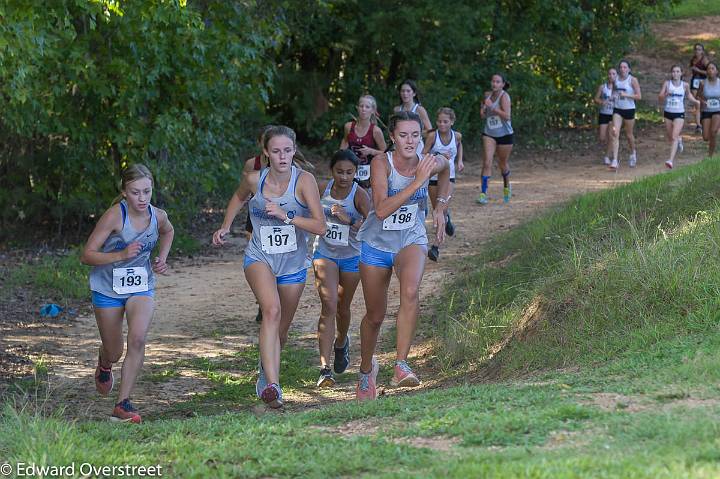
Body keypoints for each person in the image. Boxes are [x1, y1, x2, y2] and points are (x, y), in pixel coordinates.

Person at [212, 125, 325, 408]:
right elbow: (238, 197)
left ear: (294, 150)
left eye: (287, 150)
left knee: (281, 331)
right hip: (259, 256)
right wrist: (225, 226)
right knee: (270, 311)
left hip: (293, 263)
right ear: (266, 153)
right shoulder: (253, 179)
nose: (282, 156)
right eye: (276, 151)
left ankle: (266, 372)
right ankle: (274, 386)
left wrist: (287, 216)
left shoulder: (304, 181)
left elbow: (320, 226)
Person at [355, 111, 450, 401]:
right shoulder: (380, 163)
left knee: (410, 291)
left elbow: (445, 172)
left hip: (411, 237)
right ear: (393, 138)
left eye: (415, 135)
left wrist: (440, 207)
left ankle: (400, 365)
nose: (410, 141)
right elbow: (381, 209)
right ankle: (365, 370)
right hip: (376, 243)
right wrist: (419, 181)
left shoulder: (429, 160)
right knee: (374, 316)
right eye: (403, 135)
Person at [81, 164, 175, 424]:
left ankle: (122, 405)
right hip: (107, 288)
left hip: (140, 287)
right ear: (124, 192)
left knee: (137, 338)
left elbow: (168, 231)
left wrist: (162, 258)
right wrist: (120, 255)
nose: (142, 198)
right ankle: (104, 360)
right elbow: (87, 255)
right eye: (135, 193)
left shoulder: (158, 216)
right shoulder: (114, 216)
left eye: (147, 191)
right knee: (115, 351)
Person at [313, 149, 370, 387]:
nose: (344, 177)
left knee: (342, 308)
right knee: (329, 304)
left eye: (349, 172)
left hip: (351, 256)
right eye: (339, 172)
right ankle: (324, 369)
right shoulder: (322, 188)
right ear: (331, 171)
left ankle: (341, 343)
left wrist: (351, 220)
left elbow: (374, 225)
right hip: (324, 253)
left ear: (356, 173)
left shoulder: (360, 195)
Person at [423, 107, 464, 262]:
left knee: (441, 209)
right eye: (439, 121)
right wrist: (438, 155)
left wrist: (459, 160)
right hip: (433, 177)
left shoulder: (457, 136)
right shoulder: (433, 136)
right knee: (437, 210)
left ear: (452, 122)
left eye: (445, 121)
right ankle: (447, 219)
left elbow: (459, 145)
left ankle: (435, 247)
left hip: (450, 177)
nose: (442, 124)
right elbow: (423, 154)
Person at [476, 74, 513, 205]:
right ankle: (483, 193)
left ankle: (507, 186)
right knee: (487, 162)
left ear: (503, 84)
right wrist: (484, 108)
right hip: (489, 133)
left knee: (502, 163)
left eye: (498, 82)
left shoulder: (504, 97)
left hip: (504, 134)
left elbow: (507, 116)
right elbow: (483, 115)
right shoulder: (487, 95)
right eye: (493, 81)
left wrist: (492, 106)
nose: (494, 84)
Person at [340, 95, 387, 188]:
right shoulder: (348, 127)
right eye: (361, 106)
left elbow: (385, 153)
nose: (363, 109)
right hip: (350, 171)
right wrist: (340, 156)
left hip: (368, 174)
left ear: (372, 110)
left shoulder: (376, 131)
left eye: (367, 107)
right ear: (357, 108)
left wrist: (371, 151)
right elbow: (345, 142)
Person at [658, 65, 700, 169]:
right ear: (671, 73)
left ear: (681, 73)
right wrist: (666, 94)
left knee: (673, 136)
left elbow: (688, 95)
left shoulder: (685, 85)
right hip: (668, 113)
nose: (675, 73)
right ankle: (679, 140)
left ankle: (670, 160)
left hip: (679, 113)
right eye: (673, 71)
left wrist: (695, 101)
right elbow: (660, 97)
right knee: (670, 137)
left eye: (677, 71)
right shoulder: (667, 84)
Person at [609, 60, 642, 170]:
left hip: (629, 109)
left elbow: (639, 96)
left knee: (629, 135)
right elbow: (613, 91)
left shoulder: (632, 80)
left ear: (629, 69)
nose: (622, 69)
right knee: (615, 132)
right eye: (621, 67)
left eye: (625, 67)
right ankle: (614, 160)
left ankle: (633, 153)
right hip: (617, 109)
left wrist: (626, 95)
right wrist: (613, 96)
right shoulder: (616, 79)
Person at [393, 80, 433, 156]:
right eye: (403, 91)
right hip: (400, 145)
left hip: (416, 145)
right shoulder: (397, 110)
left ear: (414, 93)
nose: (405, 94)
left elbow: (430, 131)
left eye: (408, 91)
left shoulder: (419, 110)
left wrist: (414, 133)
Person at [595, 68, 617, 166]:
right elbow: (596, 98)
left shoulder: (619, 88)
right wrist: (601, 101)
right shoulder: (602, 87)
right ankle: (609, 150)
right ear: (607, 75)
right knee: (602, 137)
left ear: (616, 75)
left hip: (614, 114)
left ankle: (607, 156)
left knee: (612, 137)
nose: (611, 75)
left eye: (613, 74)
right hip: (604, 114)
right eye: (609, 73)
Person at [698, 62, 720, 157]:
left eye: (712, 68)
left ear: (716, 71)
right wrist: (702, 101)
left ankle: (710, 156)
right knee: (706, 137)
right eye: (709, 69)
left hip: (718, 110)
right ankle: (712, 142)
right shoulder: (703, 83)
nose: (710, 70)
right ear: (706, 71)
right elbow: (697, 96)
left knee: (713, 131)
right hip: (706, 110)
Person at [689, 43, 710, 133]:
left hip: (703, 82)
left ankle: (704, 120)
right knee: (696, 103)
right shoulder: (693, 60)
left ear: (702, 51)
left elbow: (710, 72)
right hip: (694, 82)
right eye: (696, 49)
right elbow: (690, 70)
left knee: (703, 103)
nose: (697, 51)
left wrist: (699, 70)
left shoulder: (704, 60)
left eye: (699, 49)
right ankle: (698, 125)